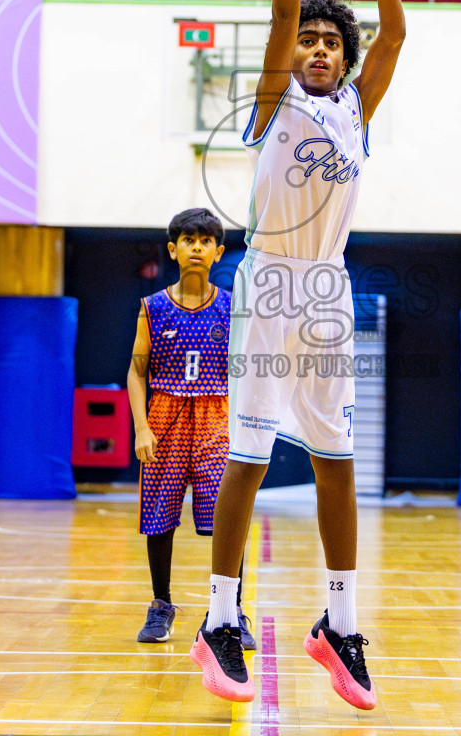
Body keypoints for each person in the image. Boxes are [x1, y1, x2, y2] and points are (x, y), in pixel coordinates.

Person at [190, 0, 403, 714]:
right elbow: (282, 5)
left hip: (327, 290)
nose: (317, 46)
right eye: (309, 38)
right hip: (270, 280)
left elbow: (396, 32)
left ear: (344, 60)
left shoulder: (356, 106)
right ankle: (219, 617)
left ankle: (340, 624)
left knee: (337, 460)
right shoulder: (277, 98)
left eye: (329, 41)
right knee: (247, 454)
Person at [127, 208, 253, 650]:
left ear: (219, 252)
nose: (196, 247)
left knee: (227, 514)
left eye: (205, 241)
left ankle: (229, 610)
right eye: (188, 239)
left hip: (215, 414)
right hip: (165, 414)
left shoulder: (232, 307)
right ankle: (161, 605)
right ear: (173, 249)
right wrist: (142, 427)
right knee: (159, 517)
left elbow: (247, 370)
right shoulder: (153, 307)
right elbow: (136, 371)